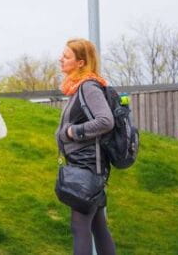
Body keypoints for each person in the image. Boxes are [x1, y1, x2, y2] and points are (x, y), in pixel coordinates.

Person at [56, 38, 116, 255]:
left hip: (88, 166)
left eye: (66, 56)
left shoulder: (89, 86)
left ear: (81, 62)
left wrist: (73, 132)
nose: (60, 59)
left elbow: (105, 120)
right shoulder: (78, 87)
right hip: (89, 165)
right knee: (98, 226)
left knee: (80, 226)